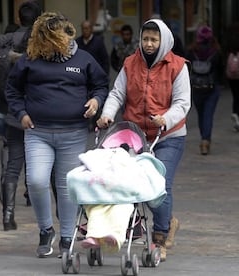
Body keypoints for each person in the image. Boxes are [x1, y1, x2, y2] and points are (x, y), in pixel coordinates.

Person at [6, 12, 109, 258]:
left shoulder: (83, 59)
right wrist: (20, 113)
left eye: (56, 37)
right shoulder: (30, 60)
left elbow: (101, 84)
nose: (52, 42)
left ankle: (66, 236)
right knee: (36, 181)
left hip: (73, 133)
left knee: (66, 187)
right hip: (37, 132)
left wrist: (96, 100)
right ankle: (45, 230)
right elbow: (12, 89)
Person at [97, 18, 191, 262]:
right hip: (136, 136)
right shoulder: (130, 63)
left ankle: (159, 239)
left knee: (159, 184)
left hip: (169, 135)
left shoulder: (178, 66)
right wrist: (107, 114)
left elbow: (182, 103)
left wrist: (166, 119)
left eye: (154, 39)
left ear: (164, 41)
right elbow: (117, 93)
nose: (149, 44)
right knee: (132, 184)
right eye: (146, 39)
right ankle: (166, 221)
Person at [0, 1, 42, 230]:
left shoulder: (5, 40)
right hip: (39, 112)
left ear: (19, 18)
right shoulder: (39, 42)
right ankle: (54, 216)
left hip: (11, 110)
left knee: (12, 165)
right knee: (45, 163)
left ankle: (7, 216)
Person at [186, 26, 223, 155]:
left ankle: (204, 139)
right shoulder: (216, 51)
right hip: (212, 87)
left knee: (201, 115)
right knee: (208, 115)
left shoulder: (191, 51)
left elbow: (186, 68)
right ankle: (205, 140)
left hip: (196, 88)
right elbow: (220, 69)